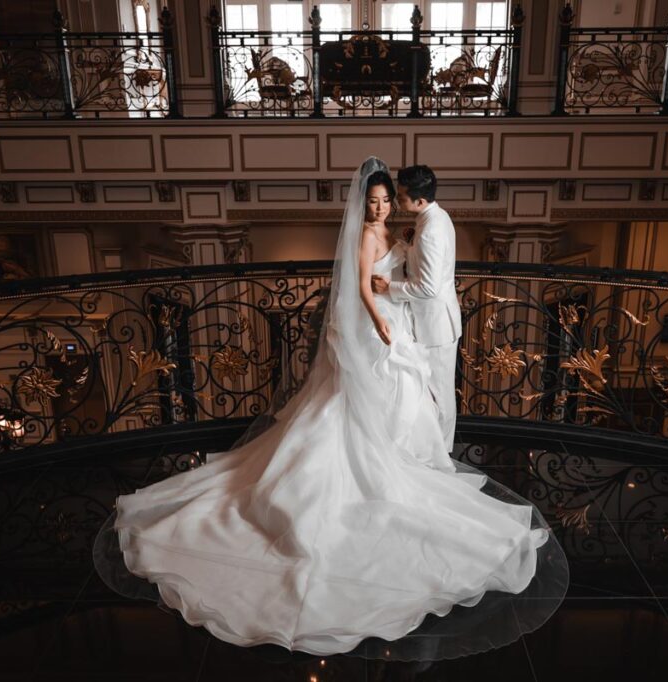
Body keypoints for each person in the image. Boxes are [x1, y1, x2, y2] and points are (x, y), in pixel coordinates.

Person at [97, 157, 567, 659]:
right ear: (365, 204)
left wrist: (394, 310)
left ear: (401, 200)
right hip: (378, 325)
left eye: (388, 201)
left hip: (401, 322)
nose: (383, 208)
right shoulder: (368, 236)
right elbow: (363, 287)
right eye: (376, 202)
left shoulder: (409, 229)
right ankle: (370, 470)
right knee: (355, 404)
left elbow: (413, 277)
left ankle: (401, 460)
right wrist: (381, 323)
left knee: (404, 401)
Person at [371, 165, 462, 455]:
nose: (396, 202)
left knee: (440, 396)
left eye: (400, 196)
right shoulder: (433, 216)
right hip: (432, 321)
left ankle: (443, 457)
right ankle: (434, 451)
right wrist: (411, 244)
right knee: (433, 392)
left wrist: (390, 289)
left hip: (436, 326)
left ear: (419, 201)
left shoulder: (431, 231)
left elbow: (429, 289)